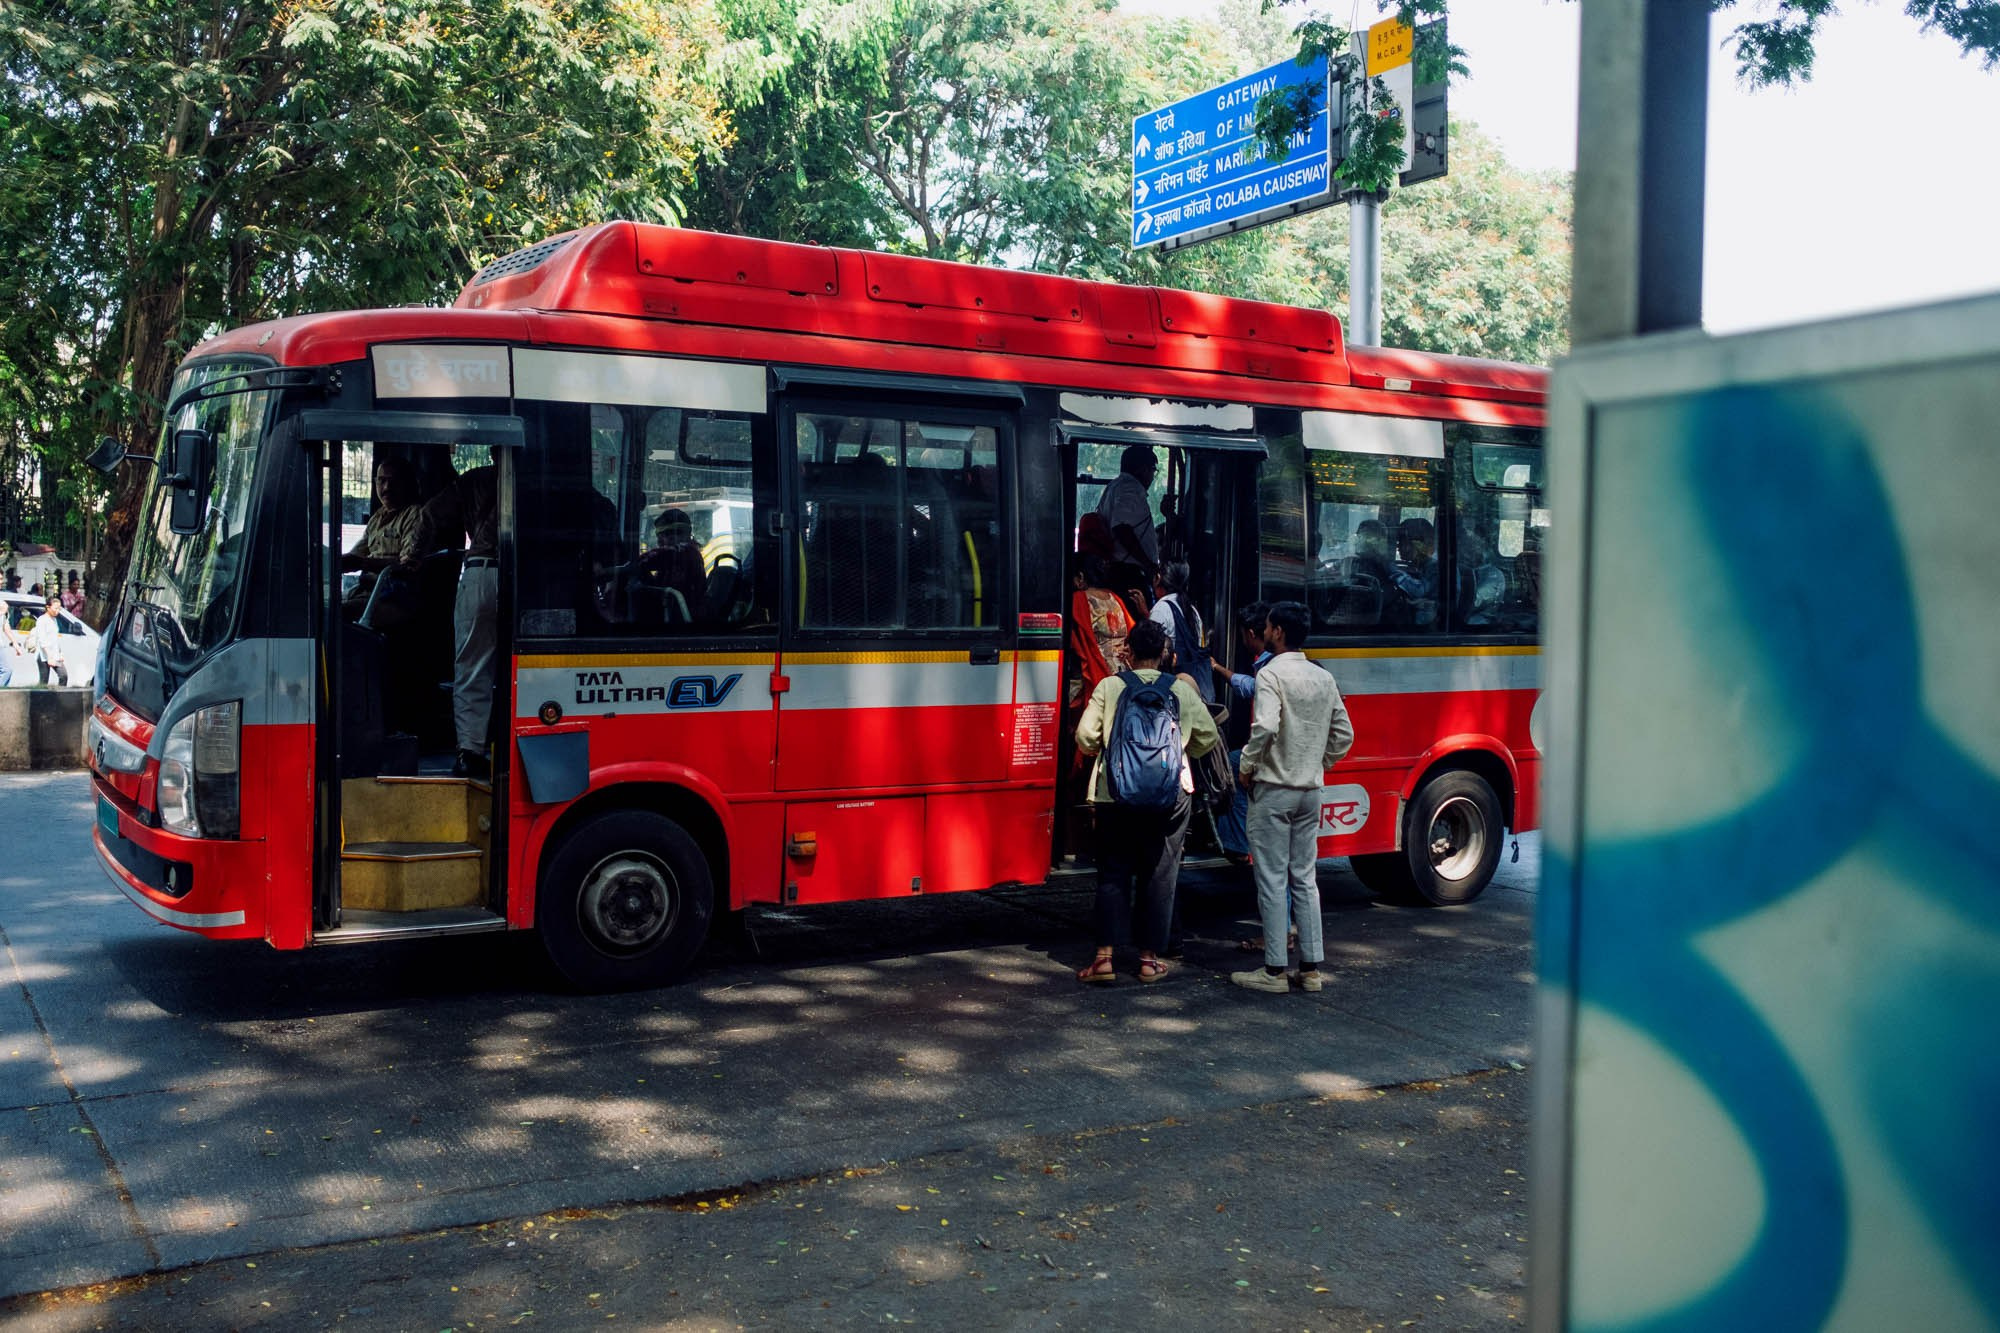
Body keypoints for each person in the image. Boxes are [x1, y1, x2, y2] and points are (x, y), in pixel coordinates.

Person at [1073, 619, 1220, 984]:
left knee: (1112, 874)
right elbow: (1209, 737)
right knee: (1160, 875)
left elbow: (1085, 737)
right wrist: (1180, 754)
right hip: (1170, 797)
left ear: (1129, 652)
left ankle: (1104, 960)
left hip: (1114, 795)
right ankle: (1149, 960)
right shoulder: (1181, 691)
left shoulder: (1110, 686)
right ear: (1166, 654)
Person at [1231, 601, 1354, 995]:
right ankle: (1311, 970)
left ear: (1278, 631)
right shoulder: (1322, 676)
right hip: (1309, 790)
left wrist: (1247, 767)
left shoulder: (1271, 674)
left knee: (1270, 878)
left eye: (1267, 626)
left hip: (1274, 790)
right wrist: (1319, 763)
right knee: (1305, 879)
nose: (1264, 630)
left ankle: (1273, 972)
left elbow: (1265, 725)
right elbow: (1343, 735)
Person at [420, 454, 499, 779]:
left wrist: (413, 556)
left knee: (472, 666)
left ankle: (471, 750)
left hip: (481, 573)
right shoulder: (543, 477)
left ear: (494, 449)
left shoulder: (473, 479)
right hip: (531, 580)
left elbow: (430, 514)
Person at [341, 458, 425, 617]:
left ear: (406, 484)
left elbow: (408, 564)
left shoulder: (415, 515)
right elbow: (357, 553)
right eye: (382, 481)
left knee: (338, 613)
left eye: (394, 481)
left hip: (396, 598)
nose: (387, 487)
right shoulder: (377, 518)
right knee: (322, 605)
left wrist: (364, 563)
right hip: (368, 590)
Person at [1093, 445, 1160, 596]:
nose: (1152, 477)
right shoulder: (1130, 488)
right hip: (1129, 572)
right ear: (1143, 470)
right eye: (1153, 471)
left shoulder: (1114, 486)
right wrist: (1148, 564)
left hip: (1121, 568)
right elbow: (1121, 528)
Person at [1148, 560, 1213, 703]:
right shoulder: (1192, 610)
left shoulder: (1161, 608)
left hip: (1171, 687)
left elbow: (1151, 649)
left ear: (1158, 578)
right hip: (1192, 688)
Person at [633, 507, 708, 619]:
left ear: (683, 535)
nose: (659, 542)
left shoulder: (684, 552)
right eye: (659, 536)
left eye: (666, 536)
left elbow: (646, 561)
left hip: (679, 619)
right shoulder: (679, 556)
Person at [1393, 517, 1440, 626]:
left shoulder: (1435, 568)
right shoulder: (1418, 567)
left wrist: (1390, 568)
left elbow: (1419, 591)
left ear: (1418, 545)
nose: (1398, 547)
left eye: (1402, 542)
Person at [30, 593, 68, 687]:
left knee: (63, 676)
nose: (57, 611)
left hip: (54, 653)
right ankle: (39, 700)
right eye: (55, 608)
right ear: (48, 607)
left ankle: (59, 697)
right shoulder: (42, 620)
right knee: (44, 681)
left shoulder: (54, 620)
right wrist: (49, 657)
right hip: (44, 654)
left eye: (59, 609)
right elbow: (43, 641)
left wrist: (60, 653)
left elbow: (55, 639)